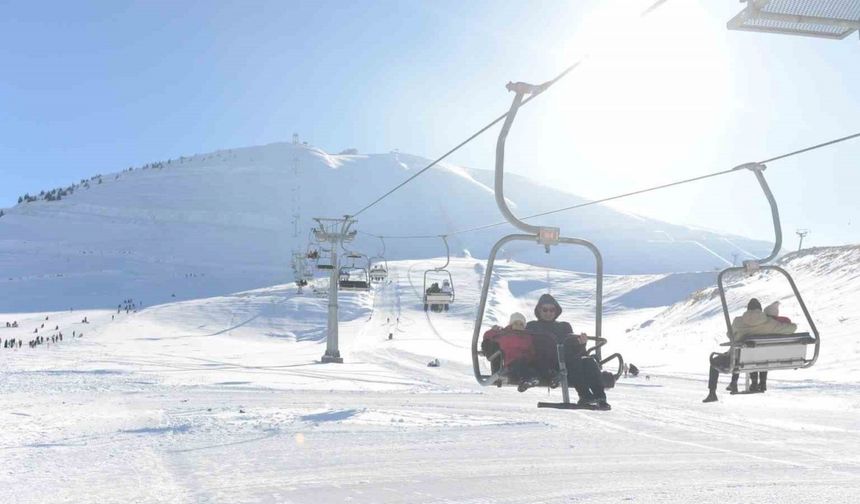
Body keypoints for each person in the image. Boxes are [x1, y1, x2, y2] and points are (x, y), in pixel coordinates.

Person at [525, 294, 610, 410]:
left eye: (552, 310)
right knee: (572, 362)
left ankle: (600, 397)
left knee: (589, 361)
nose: (548, 313)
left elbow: (575, 350)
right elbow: (519, 339)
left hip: (567, 362)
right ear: (539, 310)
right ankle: (585, 394)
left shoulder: (564, 326)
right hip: (545, 363)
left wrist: (581, 344)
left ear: (556, 311)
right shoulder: (532, 326)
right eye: (545, 309)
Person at [703, 298, 797, 403]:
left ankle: (712, 393)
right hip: (762, 359)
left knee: (714, 362)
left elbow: (730, 335)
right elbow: (792, 328)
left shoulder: (738, 321)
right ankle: (757, 383)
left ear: (748, 309)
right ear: (760, 310)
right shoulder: (769, 322)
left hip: (737, 361)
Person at [481, 312, 544, 392]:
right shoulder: (505, 334)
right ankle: (527, 379)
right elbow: (490, 336)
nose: (518, 326)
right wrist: (493, 330)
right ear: (511, 324)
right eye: (516, 323)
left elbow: (531, 349)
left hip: (525, 362)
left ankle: (530, 380)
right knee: (519, 364)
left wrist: (533, 356)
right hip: (510, 364)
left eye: (521, 324)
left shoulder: (527, 336)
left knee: (530, 366)